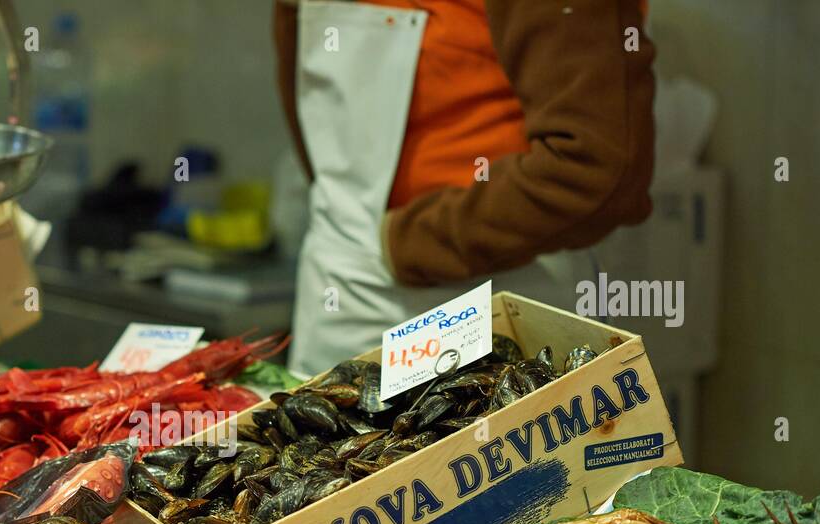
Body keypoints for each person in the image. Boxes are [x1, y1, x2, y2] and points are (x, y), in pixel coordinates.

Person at [274, 0, 656, 376]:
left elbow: (597, 170)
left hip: (503, 296)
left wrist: (409, 242)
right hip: (339, 290)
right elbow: (313, 119)